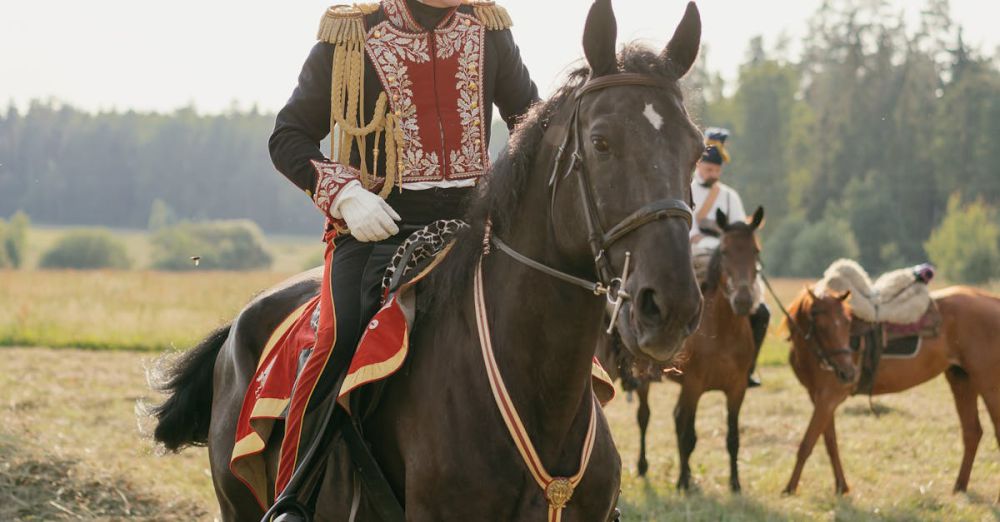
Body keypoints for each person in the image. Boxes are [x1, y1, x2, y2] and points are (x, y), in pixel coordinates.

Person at [267, 0, 538, 504]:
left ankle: (577, 484)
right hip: (377, 230)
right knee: (336, 340)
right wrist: (346, 196)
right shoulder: (350, 33)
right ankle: (294, 498)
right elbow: (288, 137)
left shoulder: (489, 28)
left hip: (473, 230)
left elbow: (532, 126)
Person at [689, 128, 769, 387]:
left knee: (762, 310)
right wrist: (695, 237)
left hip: (728, 258)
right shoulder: (686, 189)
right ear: (699, 165)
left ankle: (748, 368)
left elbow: (740, 231)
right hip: (695, 254)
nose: (712, 174)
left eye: (716, 170)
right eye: (708, 168)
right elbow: (686, 227)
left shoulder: (729, 196)